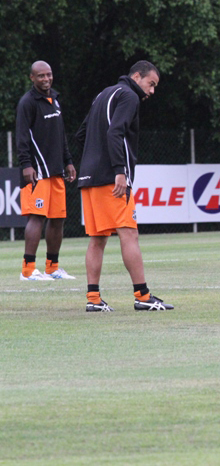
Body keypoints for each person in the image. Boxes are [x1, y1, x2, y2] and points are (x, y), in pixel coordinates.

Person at [74, 61, 174, 312]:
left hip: (90, 177)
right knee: (129, 233)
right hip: (112, 179)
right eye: (151, 84)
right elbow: (115, 133)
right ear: (137, 76)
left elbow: (81, 135)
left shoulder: (103, 94)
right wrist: (119, 170)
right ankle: (142, 295)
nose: (151, 91)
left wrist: (93, 162)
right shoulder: (129, 96)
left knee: (97, 239)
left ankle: (94, 300)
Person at [15, 60, 77, 281]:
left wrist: (68, 161)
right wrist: (26, 165)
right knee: (37, 217)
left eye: (49, 75)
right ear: (32, 78)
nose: (46, 79)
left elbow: (60, 135)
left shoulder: (55, 99)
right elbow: (21, 138)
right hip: (37, 171)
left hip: (56, 170)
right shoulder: (27, 102)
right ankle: (28, 270)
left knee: (58, 219)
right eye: (40, 76)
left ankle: (52, 267)